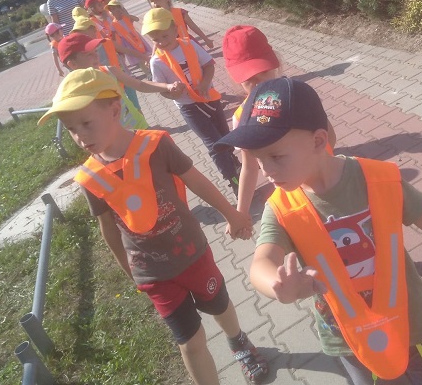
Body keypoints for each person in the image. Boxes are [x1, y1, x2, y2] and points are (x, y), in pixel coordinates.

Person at [220, 77, 422, 385]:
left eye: (276, 156)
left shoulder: (377, 180)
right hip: (347, 337)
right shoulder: (281, 208)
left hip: (412, 322)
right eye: (258, 159)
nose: (265, 170)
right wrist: (277, 285)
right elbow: (262, 262)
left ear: (318, 141)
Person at [37, 68, 269, 384]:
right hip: (153, 274)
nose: (80, 136)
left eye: (86, 123)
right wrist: (130, 272)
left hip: (192, 254)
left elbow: (197, 181)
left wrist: (232, 214)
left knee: (219, 306)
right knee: (190, 342)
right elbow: (108, 228)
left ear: (115, 110)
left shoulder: (156, 145)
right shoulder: (91, 178)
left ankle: (238, 341)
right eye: (71, 129)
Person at [221, 24, 336, 219]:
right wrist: (241, 211)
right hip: (293, 194)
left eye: (263, 72)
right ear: (235, 78)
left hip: (325, 178)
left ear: (274, 63)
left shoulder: (298, 96)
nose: (259, 83)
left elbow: (329, 137)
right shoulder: (243, 117)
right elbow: (249, 167)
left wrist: (316, 167)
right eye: (249, 79)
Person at [142, 8, 241, 194]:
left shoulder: (189, 45)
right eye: (156, 39)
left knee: (224, 136)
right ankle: (233, 179)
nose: (162, 42)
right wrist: (172, 93)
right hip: (190, 108)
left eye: (165, 36)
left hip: (210, 99)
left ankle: (234, 163)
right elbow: (161, 89)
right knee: (214, 144)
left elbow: (209, 65)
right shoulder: (157, 62)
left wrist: (204, 83)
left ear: (175, 29)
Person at [57, 32, 182, 130]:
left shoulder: (108, 71)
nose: (96, 56)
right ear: (73, 64)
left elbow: (140, 84)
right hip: (116, 140)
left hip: (140, 126)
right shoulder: (76, 92)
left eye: (95, 51)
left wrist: (167, 86)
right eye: (89, 55)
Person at [145, 0, 213, 49]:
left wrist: (206, 39)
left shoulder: (180, 12)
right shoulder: (155, 19)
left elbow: (193, 26)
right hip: (171, 48)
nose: (154, 3)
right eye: (151, 1)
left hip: (187, 44)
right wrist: (153, 54)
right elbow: (156, 38)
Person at [107, 0, 152, 75]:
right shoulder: (113, 24)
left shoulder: (126, 18)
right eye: (111, 10)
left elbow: (137, 19)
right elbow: (113, 38)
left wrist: (127, 15)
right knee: (138, 58)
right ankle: (148, 73)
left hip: (136, 38)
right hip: (127, 42)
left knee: (144, 53)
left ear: (120, 9)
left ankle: (151, 68)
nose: (113, 11)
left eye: (115, 8)